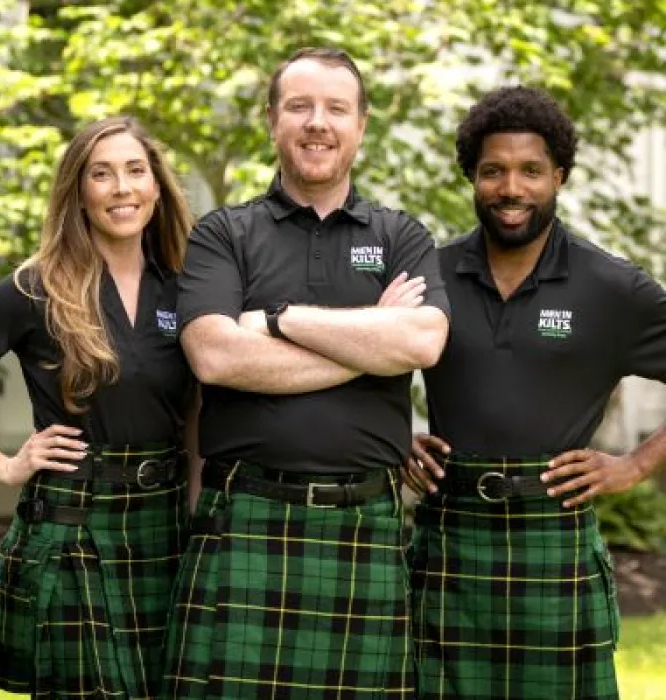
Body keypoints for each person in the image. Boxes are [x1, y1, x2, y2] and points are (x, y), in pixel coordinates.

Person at [161, 47, 450, 699]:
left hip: (362, 528)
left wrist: (274, 318)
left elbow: (422, 340)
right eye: (300, 106)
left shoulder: (401, 235)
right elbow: (214, 355)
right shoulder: (223, 234)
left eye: (336, 109)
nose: (318, 123)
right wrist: (368, 337)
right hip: (246, 520)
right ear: (272, 120)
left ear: (361, 125)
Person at [404, 86, 666, 699]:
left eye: (531, 171)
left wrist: (635, 464)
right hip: (449, 542)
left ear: (560, 177)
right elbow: (366, 369)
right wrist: (395, 437)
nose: (512, 189)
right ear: (472, 175)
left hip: (556, 539)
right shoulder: (428, 276)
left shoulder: (611, 286)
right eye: (493, 171)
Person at [0, 115, 199, 698]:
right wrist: (3, 465)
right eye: (102, 174)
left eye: (134, 171)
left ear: (156, 186)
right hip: (74, 525)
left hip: (166, 527)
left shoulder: (187, 286)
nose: (122, 188)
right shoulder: (32, 289)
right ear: (78, 191)